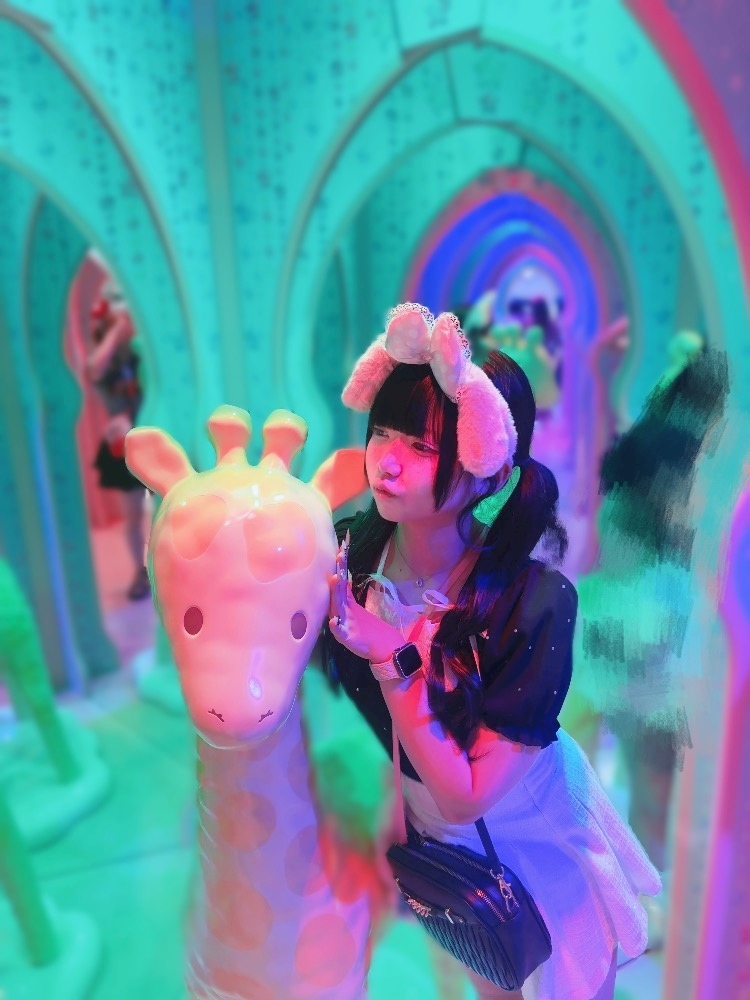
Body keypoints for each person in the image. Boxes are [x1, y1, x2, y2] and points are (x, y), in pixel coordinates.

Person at [323, 303, 660, 1000]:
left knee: (570, 983)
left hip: (533, 827)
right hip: (440, 834)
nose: (386, 461)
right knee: (489, 979)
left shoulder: (534, 604)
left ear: (488, 470)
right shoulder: (356, 552)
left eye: (422, 447)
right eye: (382, 431)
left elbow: (466, 794)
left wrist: (392, 659)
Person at [85, 297, 150, 600]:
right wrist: (115, 330)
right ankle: (140, 571)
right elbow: (93, 368)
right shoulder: (103, 361)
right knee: (133, 516)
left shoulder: (139, 350)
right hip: (121, 446)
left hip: (154, 436)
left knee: (169, 510)